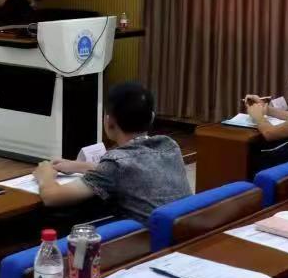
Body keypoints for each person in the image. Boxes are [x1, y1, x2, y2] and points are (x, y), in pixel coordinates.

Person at [37, 81, 190, 225]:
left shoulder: (115, 163)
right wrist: (79, 166)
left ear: (109, 122)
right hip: (182, 232)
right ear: (152, 118)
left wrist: (45, 176)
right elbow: (131, 169)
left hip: (148, 240)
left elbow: (52, 197)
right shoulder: (169, 145)